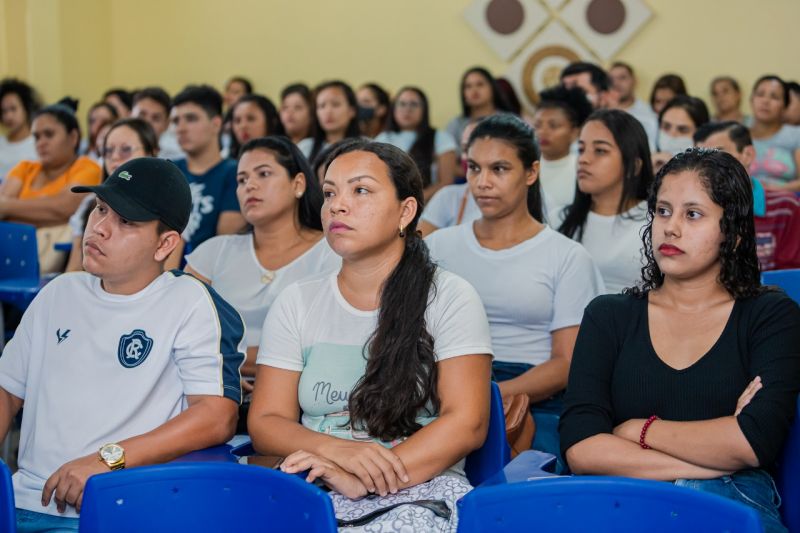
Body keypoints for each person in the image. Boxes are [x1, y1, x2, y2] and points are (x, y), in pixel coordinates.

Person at [248, 139, 493, 531]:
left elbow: (466, 423)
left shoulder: (449, 297)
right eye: (329, 193)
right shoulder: (297, 300)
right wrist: (336, 454)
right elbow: (266, 421)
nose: (337, 205)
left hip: (418, 485)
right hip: (314, 480)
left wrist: (362, 479)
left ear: (405, 211)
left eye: (360, 190)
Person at [560, 148, 800, 533]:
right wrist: (713, 461)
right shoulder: (608, 315)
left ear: (733, 234)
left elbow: (753, 442)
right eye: (663, 211)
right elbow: (581, 447)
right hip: (622, 501)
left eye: (693, 214)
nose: (670, 228)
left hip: (730, 502)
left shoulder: (769, 315)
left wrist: (637, 430)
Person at [0, 157, 246, 530]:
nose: (99, 229)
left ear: (165, 244)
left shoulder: (189, 301)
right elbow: (7, 393)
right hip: (24, 501)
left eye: (125, 221)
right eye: (100, 210)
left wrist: (106, 461)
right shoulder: (59, 293)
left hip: (121, 508)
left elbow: (216, 415)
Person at [426, 114, 603, 472]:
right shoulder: (439, 246)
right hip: (446, 382)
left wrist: (490, 396)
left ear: (531, 173)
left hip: (533, 393)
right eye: (474, 168)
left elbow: (566, 364)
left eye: (500, 169)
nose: (483, 182)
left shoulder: (566, 256)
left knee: (528, 487)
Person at [185, 136, 338, 422]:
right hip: (219, 396)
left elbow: (322, 352)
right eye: (242, 180)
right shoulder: (213, 253)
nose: (249, 186)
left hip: (305, 403)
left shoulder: (332, 252)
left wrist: (225, 364)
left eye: (263, 174)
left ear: (298, 184)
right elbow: (178, 334)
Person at [557, 109, 653, 294]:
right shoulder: (559, 219)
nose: (584, 159)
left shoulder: (653, 223)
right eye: (581, 149)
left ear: (634, 165)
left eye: (600, 151)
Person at [695, 121, 800, 271]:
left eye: (718, 153)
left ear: (748, 154)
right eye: (699, 157)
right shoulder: (692, 211)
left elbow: (790, 277)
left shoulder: (786, 207)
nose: (706, 165)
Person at [66, 118, 160, 272]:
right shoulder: (89, 202)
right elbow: (74, 270)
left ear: (151, 152)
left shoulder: (165, 206)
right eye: (108, 151)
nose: (115, 157)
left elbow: (166, 273)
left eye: (126, 149)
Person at [0, 102, 101, 228]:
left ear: (73, 137)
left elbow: (64, 208)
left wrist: (8, 208)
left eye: (49, 134)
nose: (41, 143)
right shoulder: (25, 168)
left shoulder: (88, 167)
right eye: (37, 137)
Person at [170, 84, 245, 252]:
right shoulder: (168, 170)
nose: (180, 128)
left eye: (191, 119)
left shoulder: (235, 172)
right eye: (175, 121)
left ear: (216, 124)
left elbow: (224, 245)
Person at [376, 86, 457, 200]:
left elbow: (446, 182)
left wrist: (414, 201)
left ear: (424, 110)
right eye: (402, 104)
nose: (407, 109)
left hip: (427, 204)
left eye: (414, 104)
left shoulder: (441, 138)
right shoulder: (382, 139)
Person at [532, 85, 593, 210]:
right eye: (537, 125)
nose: (542, 132)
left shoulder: (582, 169)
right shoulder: (524, 167)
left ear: (575, 132)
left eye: (553, 126)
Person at [417, 120, 482, 237]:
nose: (468, 156)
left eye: (476, 147)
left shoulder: (516, 199)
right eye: (464, 148)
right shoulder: (448, 196)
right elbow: (416, 242)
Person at [748, 75, 800, 191]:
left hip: (786, 202)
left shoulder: (796, 135)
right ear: (752, 100)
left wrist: (774, 189)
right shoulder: (737, 135)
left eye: (774, 97)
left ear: (784, 106)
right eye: (760, 94)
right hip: (743, 203)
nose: (765, 101)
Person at [445, 67, 509, 157]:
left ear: (492, 88)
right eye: (468, 86)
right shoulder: (455, 125)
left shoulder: (510, 121)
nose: (474, 90)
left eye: (480, 84)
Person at [298, 80, 361, 163]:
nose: (328, 111)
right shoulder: (305, 148)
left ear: (352, 110)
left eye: (335, 104)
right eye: (322, 106)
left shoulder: (368, 147)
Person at [653, 95, 710, 173]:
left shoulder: (711, 175)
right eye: (666, 127)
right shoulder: (650, 165)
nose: (671, 135)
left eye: (682, 129)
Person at [609, 62, 658, 148]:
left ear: (634, 81)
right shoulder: (600, 112)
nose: (616, 83)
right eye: (611, 79)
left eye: (622, 78)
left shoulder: (649, 113)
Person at [0, 78, 41, 179]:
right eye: (4, 111)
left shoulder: (39, 144)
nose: (8, 116)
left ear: (26, 109)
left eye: (13, 109)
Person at [132, 86, 184, 161]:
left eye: (156, 118)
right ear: (130, 115)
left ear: (167, 124)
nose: (147, 122)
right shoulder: (114, 154)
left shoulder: (175, 161)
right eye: (141, 115)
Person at [228, 94, 283, 159]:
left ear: (272, 122)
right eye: (237, 121)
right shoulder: (227, 162)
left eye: (251, 119)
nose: (243, 126)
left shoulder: (288, 159)